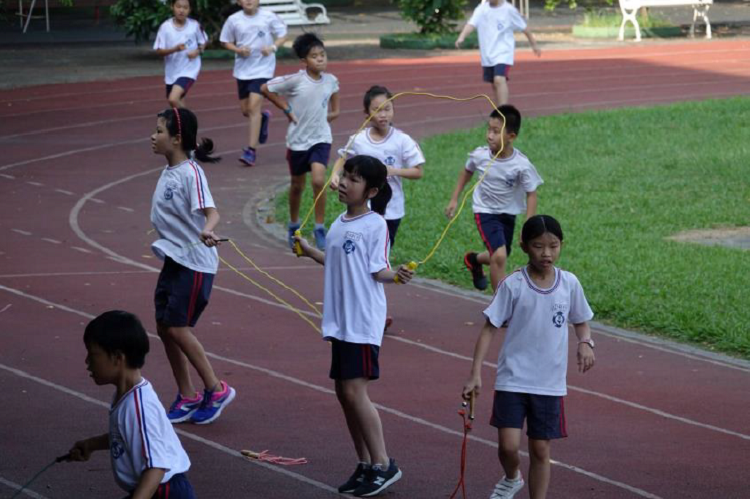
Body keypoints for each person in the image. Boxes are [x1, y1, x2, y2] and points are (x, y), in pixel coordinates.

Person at [294, 155, 414, 497]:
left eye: (354, 179)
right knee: (343, 393)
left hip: (362, 320)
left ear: (372, 190)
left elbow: (378, 270)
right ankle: (364, 464)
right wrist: (308, 251)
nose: (344, 182)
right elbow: (335, 258)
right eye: (344, 175)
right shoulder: (339, 223)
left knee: (354, 392)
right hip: (341, 321)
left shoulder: (375, 224)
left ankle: (383, 464)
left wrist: (398, 276)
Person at [461, 215, 596, 499]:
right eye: (538, 246)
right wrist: (475, 374)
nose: (546, 253)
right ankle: (512, 477)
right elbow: (488, 329)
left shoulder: (569, 284)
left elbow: (581, 320)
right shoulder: (513, 285)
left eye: (553, 246)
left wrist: (585, 342)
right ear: (523, 246)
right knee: (508, 446)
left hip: (549, 382)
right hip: (512, 378)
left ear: (561, 245)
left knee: (540, 449)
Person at [150, 107, 235, 425]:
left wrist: (208, 229)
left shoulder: (191, 172)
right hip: (174, 259)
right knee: (163, 326)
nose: (153, 136)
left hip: (195, 263)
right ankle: (187, 396)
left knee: (176, 327)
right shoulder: (169, 171)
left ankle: (217, 388)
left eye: (159, 130)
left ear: (176, 138)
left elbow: (211, 211)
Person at [67, 310, 196, 499]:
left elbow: (157, 467)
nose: (87, 362)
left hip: (165, 492)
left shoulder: (139, 406)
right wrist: (92, 444)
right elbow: (126, 435)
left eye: (93, 354)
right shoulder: (127, 396)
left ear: (118, 358)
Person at [445, 105, 542, 291]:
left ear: (511, 137)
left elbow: (531, 193)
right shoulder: (480, 155)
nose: (490, 135)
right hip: (485, 211)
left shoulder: (521, 165)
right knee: (499, 256)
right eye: (488, 129)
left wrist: (528, 224)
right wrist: (454, 199)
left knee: (500, 255)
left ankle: (473, 260)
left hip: (508, 214)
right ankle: (501, 305)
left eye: (496, 131)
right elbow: (467, 171)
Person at [262, 33, 340, 250]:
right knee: (297, 186)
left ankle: (319, 227)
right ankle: (294, 224)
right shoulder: (296, 80)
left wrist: (329, 116)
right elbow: (265, 89)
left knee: (318, 180)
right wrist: (286, 109)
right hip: (297, 141)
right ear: (304, 61)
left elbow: (336, 109)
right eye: (314, 56)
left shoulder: (331, 81)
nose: (320, 59)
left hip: (321, 139)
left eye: (322, 55)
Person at [332, 85, 425, 248]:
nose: (383, 115)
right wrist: (335, 174)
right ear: (367, 114)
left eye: (387, 109)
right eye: (377, 110)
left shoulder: (402, 140)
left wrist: (393, 171)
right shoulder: (359, 139)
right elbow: (343, 158)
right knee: (359, 247)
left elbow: (418, 172)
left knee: (382, 251)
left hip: (391, 209)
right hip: (361, 207)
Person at [220, 0, 287, 166]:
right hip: (243, 70)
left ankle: (251, 151)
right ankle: (263, 118)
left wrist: (272, 48)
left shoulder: (268, 16)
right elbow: (225, 41)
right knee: (246, 110)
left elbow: (283, 34)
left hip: (263, 69)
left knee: (253, 108)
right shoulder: (234, 19)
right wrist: (237, 50)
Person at [455, 0, 541, 106]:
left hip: (504, 52)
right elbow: (471, 24)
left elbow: (524, 28)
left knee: (499, 79)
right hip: (488, 54)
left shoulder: (509, 10)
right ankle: (499, 110)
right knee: (494, 83)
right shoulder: (481, 9)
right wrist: (462, 37)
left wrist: (534, 45)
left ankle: (504, 111)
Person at [153, 0, 207, 109]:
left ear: (189, 10)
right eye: (178, 7)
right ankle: (186, 125)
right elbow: (159, 51)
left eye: (185, 7)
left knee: (173, 99)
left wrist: (197, 51)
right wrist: (174, 49)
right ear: (172, 7)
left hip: (189, 70)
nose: (181, 10)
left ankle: (190, 122)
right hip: (171, 72)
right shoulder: (165, 27)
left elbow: (204, 41)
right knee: (176, 104)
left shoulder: (194, 25)